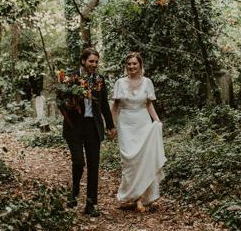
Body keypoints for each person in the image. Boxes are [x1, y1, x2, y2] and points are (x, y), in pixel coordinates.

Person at [61, 47, 115, 217]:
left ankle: (91, 204)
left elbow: (104, 104)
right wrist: (68, 105)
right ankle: (74, 191)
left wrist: (110, 125)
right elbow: (60, 100)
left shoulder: (100, 79)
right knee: (79, 162)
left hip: (93, 126)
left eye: (96, 62)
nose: (94, 64)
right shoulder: (70, 77)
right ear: (83, 61)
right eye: (91, 61)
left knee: (93, 166)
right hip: (74, 126)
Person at [111, 52, 166, 213]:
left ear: (140, 65)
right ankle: (133, 196)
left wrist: (157, 121)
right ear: (125, 66)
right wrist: (112, 126)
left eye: (134, 64)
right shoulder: (120, 83)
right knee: (130, 161)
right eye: (129, 64)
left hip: (143, 122)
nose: (131, 66)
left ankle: (144, 198)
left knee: (145, 159)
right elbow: (115, 107)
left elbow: (149, 104)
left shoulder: (147, 82)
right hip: (126, 124)